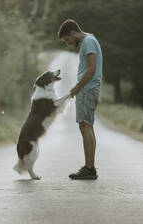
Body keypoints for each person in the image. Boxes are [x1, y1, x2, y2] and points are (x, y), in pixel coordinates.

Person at [58, 19, 103, 180]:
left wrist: (77, 87)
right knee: (85, 126)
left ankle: (90, 168)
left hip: (87, 89)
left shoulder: (88, 41)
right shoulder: (89, 40)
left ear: (72, 33)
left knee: (86, 127)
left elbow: (92, 69)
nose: (69, 44)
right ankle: (89, 167)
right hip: (87, 89)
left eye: (68, 40)